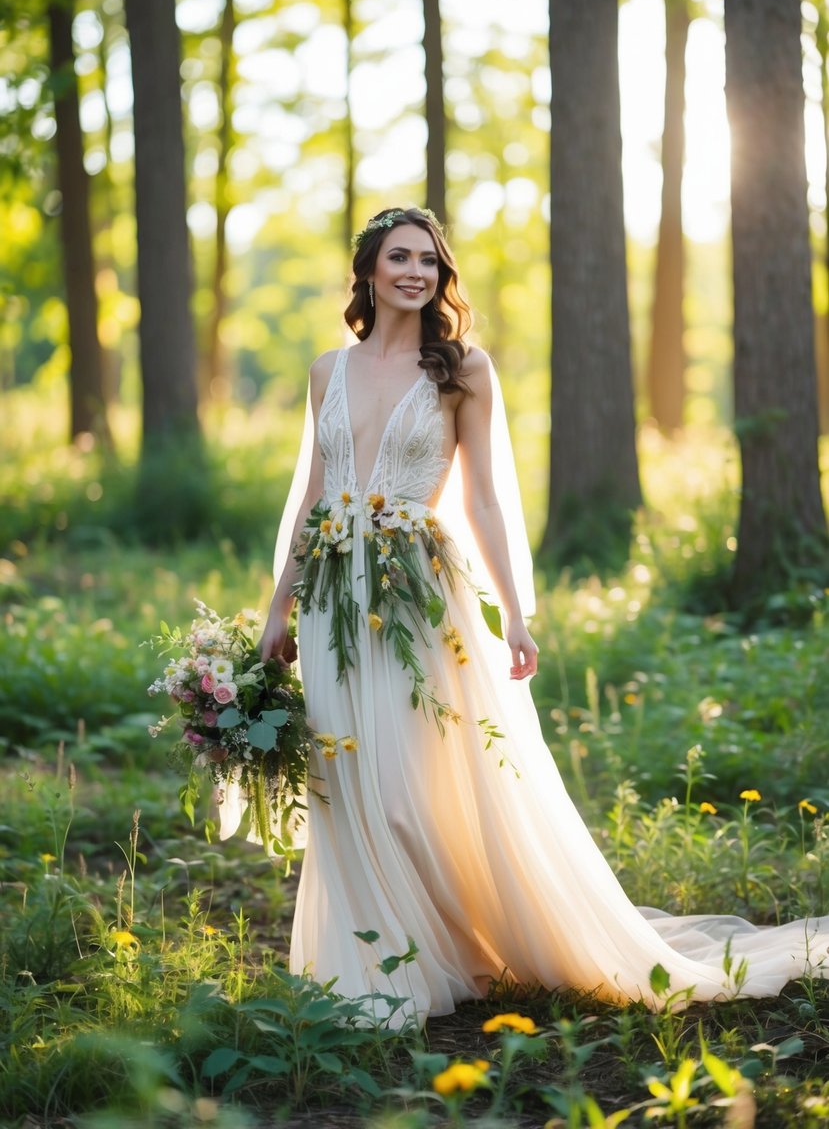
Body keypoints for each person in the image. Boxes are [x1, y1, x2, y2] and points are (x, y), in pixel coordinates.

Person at [259, 205, 828, 1026]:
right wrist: (280, 607)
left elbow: (484, 498)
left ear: (439, 275)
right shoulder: (327, 371)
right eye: (398, 258)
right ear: (369, 272)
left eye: (428, 259)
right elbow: (313, 498)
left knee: (407, 787)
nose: (414, 271)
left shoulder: (462, 370)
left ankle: (450, 946)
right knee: (342, 782)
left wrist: (513, 615)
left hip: (417, 592)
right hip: (332, 601)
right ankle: (373, 966)